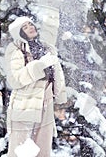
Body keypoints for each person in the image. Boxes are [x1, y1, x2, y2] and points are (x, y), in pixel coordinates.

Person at [4, 8, 67, 157]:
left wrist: (59, 95)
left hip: (46, 100)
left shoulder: (45, 47)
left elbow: (52, 27)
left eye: (31, 24)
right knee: (20, 151)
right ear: (19, 33)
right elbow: (15, 79)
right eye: (24, 27)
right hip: (25, 104)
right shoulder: (15, 49)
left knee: (43, 150)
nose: (30, 28)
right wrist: (39, 65)